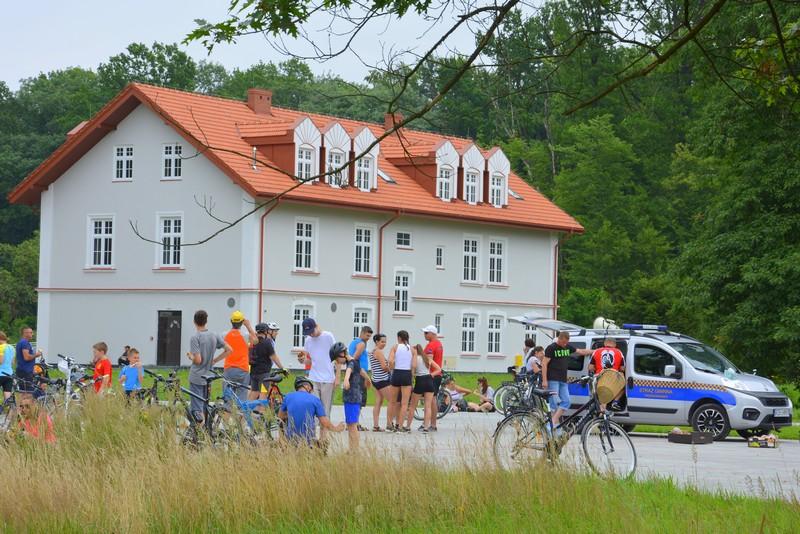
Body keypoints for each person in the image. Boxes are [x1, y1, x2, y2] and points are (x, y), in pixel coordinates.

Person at [187, 310, 232, 422]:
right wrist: (215, 360)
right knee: (205, 406)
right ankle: (207, 429)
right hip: (208, 376)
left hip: (197, 377)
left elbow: (198, 360)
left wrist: (191, 356)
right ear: (206, 321)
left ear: (194, 322)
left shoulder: (195, 337)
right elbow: (229, 350)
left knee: (197, 410)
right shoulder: (214, 335)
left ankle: (199, 430)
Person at [542, 331, 592, 429]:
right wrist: (544, 380)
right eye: (563, 342)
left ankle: (552, 423)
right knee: (554, 403)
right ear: (559, 338)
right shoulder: (551, 348)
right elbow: (544, 364)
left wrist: (596, 351)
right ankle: (554, 428)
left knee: (566, 401)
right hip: (552, 379)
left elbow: (581, 352)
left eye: (566, 342)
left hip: (563, 380)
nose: (565, 344)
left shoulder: (567, 347)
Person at [297, 318, 337, 438]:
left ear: (316, 326)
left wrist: (338, 377)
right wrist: (302, 360)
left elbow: (337, 356)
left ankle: (323, 439)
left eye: (312, 331)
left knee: (324, 411)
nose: (311, 334)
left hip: (328, 379)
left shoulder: (328, 336)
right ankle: (311, 437)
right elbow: (311, 360)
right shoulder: (308, 340)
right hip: (313, 378)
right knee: (312, 408)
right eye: (308, 333)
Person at [278, 375, 344, 446]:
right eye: (311, 389)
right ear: (307, 386)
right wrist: (336, 428)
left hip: (290, 441)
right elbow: (324, 422)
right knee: (323, 442)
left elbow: (280, 418)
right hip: (309, 442)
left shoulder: (288, 397)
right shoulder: (315, 399)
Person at [336, 342, 371, 449]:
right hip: (354, 397)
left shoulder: (351, 362)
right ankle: (353, 449)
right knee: (351, 424)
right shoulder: (354, 362)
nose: (337, 362)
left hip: (352, 398)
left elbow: (349, 370)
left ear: (342, 354)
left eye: (337, 359)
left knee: (352, 425)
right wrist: (368, 379)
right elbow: (361, 371)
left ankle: (354, 450)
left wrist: (346, 379)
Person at [223, 311, 257, 403]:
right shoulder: (245, 335)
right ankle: (240, 412)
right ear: (242, 322)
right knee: (242, 399)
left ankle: (227, 410)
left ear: (231, 321)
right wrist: (248, 326)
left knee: (227, 398)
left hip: (228, 369)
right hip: (243, 369)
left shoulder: (224, 334)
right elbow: (256, 341)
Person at [406, 342, 441, 432]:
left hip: (420, 380)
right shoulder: (427, 358)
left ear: (415, 351)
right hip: (429, 381)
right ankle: (426, 427)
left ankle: (408, 427)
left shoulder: (414, 359)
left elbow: (412, 371)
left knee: (412, 406)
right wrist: (431, 375)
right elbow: (438, 369)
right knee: (428, 406)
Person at [387, 330, 415, 432]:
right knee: (404, 403)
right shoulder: (412, 349)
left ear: (399, 338)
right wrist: (412, 376)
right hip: (406, 374)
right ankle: (400, 426)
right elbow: (414, 365)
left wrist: (391, 368)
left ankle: (389, 425)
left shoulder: (395, 347)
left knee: (392, 401)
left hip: (396, 373)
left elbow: (390, 360)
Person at [249, 322, 285, 401]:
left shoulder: (253, 342)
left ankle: (246, 407)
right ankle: (261, 409)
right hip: (264, 374)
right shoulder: (267, 342)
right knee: (263, 393)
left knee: (254, 392)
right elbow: (274, 357)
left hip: (253, 372)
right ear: (266, 331)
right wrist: (282, 368)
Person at [588, 337, 626, 410]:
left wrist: (598, 369)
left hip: (599, 377)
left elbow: (590, 367)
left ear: (605, 343)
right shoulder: (619, 352)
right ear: (615, 344)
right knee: (623, 386)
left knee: (601, 398)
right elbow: (622, 368)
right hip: (612, 378)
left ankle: (600, 412)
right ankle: (615, 401)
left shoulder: (596, 351)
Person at [349, 325, 373, 423]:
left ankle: (355, 422)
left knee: (356, 398)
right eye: (367, 335)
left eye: (369, 336)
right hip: (359, 374)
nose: (368, 338)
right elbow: (355, 358)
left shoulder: (354, 342)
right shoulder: (361, 344)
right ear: (362, 333)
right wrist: (366, 377)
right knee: (359, 399)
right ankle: (356, 423)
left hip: (356, 373)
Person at [422, 325, 444, 431]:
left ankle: (431, 424)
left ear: (432, 333)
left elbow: (428, 361)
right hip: (437, 374)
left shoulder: (431, 345)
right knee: (432, 399)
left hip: (432, 374)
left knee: (431, 400)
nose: (424, 335)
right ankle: (431, 423)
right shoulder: (439, 344)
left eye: (426, 333)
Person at [368, 333, 391, 431]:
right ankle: (389, 424)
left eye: (385, 342)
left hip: (375, 380)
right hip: (382, 380)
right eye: (382, 342)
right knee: (392, 401)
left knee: (378, 401)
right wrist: (391, 368)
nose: (384, 344)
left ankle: (376, 426)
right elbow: (384, 367)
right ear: (376, 341)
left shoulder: (371, 352)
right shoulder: (379, 352)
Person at [15, 326, 40, 396]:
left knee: (23, 392)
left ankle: (22, 403)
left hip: (21, 369)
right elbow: (26, 357)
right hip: (25, 371)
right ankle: (26, 403)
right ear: (25, 333)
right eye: (31, 332)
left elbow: (17, 358)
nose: (32, 334)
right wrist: (37, 354)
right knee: (28, 393)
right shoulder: (25, 343)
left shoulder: (20, 342)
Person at [0, 331, 15, 401]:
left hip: (0, 373)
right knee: (7, 397)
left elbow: (0, 361)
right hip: (9, 374)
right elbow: (12, 362)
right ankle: (9, 408)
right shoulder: (12, 347)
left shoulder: (1, 347)